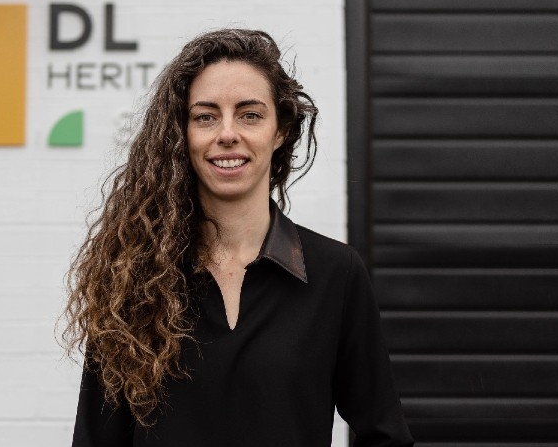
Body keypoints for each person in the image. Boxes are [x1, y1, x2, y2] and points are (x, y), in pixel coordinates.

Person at [61, 28, 414, 447]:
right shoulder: (131, 277)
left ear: (280, 131)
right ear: (182, 134)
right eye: (206, 116)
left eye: (250, 114)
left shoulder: (336, 274)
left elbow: (385, 435)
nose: (227, 133)